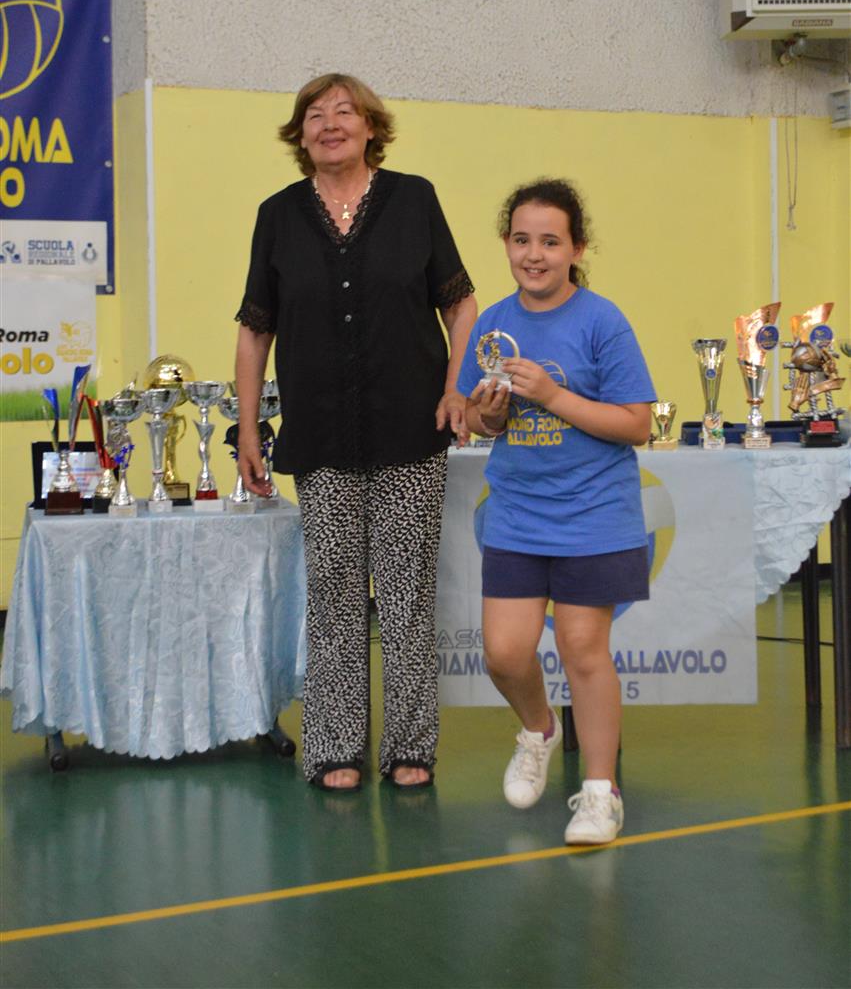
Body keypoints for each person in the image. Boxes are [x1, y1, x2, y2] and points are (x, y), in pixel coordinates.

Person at [234, 73, 476, 791]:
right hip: (321, 435)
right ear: (300, 134)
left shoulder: (414, 199)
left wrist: (456, 385)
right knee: (334, 597)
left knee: (406, 598)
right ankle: (333, 748)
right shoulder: (277, 215)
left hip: (411, 429)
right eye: (315, 114)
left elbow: (460, 306)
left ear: (371, 127)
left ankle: (411, 748)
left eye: (345, 111)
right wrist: (248, 429)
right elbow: (255, 329)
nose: (330, 123)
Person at [456, 178, 654, 844]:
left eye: (549, 241)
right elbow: (478, 420)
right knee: (504, 654)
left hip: (594, 513)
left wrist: (550, 394)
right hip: (517, 514)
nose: (533, 254)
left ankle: (600, 792)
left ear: (576, 249)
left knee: (582, 650)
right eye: (521, 240)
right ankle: (538, 729)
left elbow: (635, 424)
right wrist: (489, 414)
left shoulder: (602, 321)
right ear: (506, 245)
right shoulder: (491, 325)